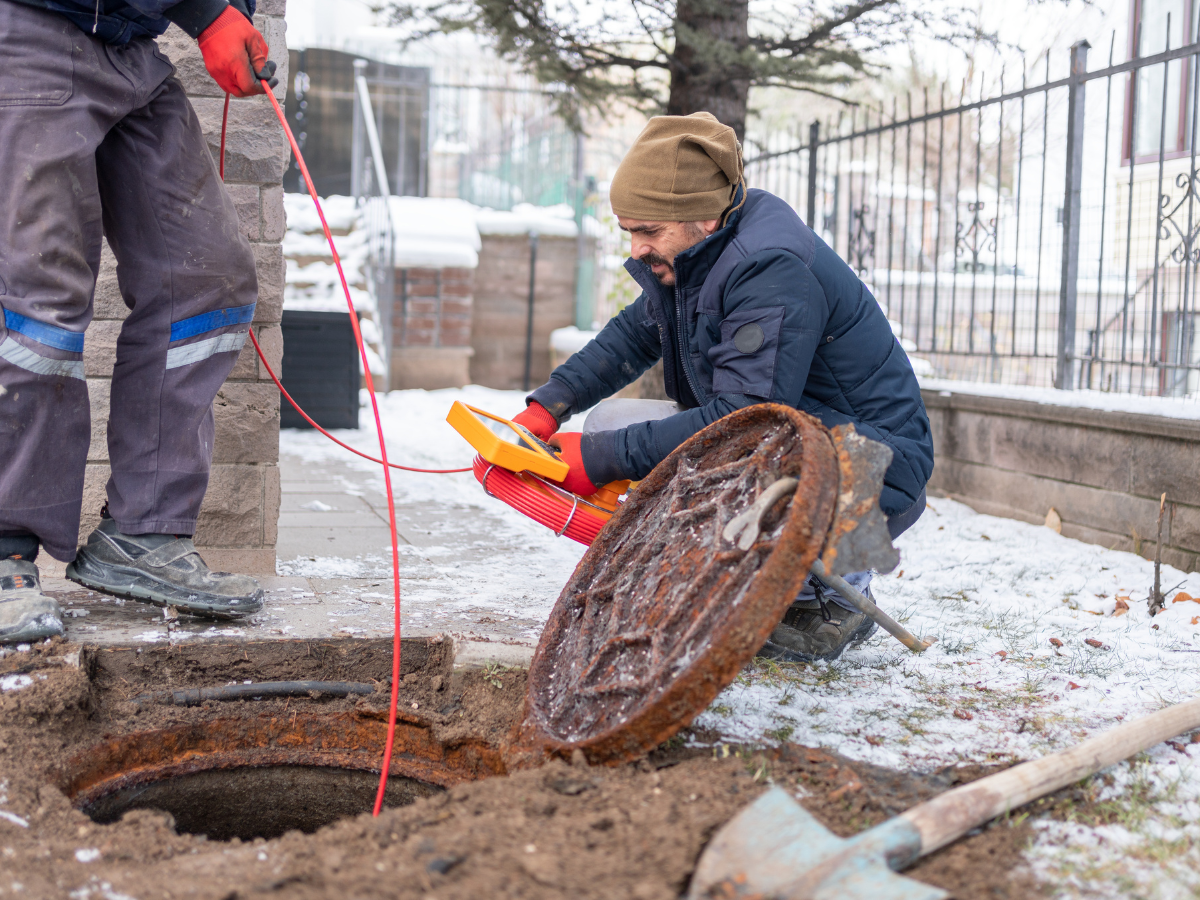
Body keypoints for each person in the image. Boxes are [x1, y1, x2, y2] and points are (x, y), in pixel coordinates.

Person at [512, 112, 934, 662]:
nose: (636, 247)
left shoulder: (769, 268)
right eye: (630, 231)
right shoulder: (694, 256)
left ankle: (832, 599)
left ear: (702, 217)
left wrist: (600, 459)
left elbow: (746, 416)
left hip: (874, 466)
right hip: (797, 434)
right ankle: (762, 579)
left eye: (648, 230)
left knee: (626, 447)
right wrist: (550, 405)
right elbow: (628, 340)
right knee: (608, 425)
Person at [0, 0, 278, 643]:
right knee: (41, 301)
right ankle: (4, 548)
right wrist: (208, 14)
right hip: (35, 28)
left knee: (208, 281)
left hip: (130, 49)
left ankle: (142, 533)